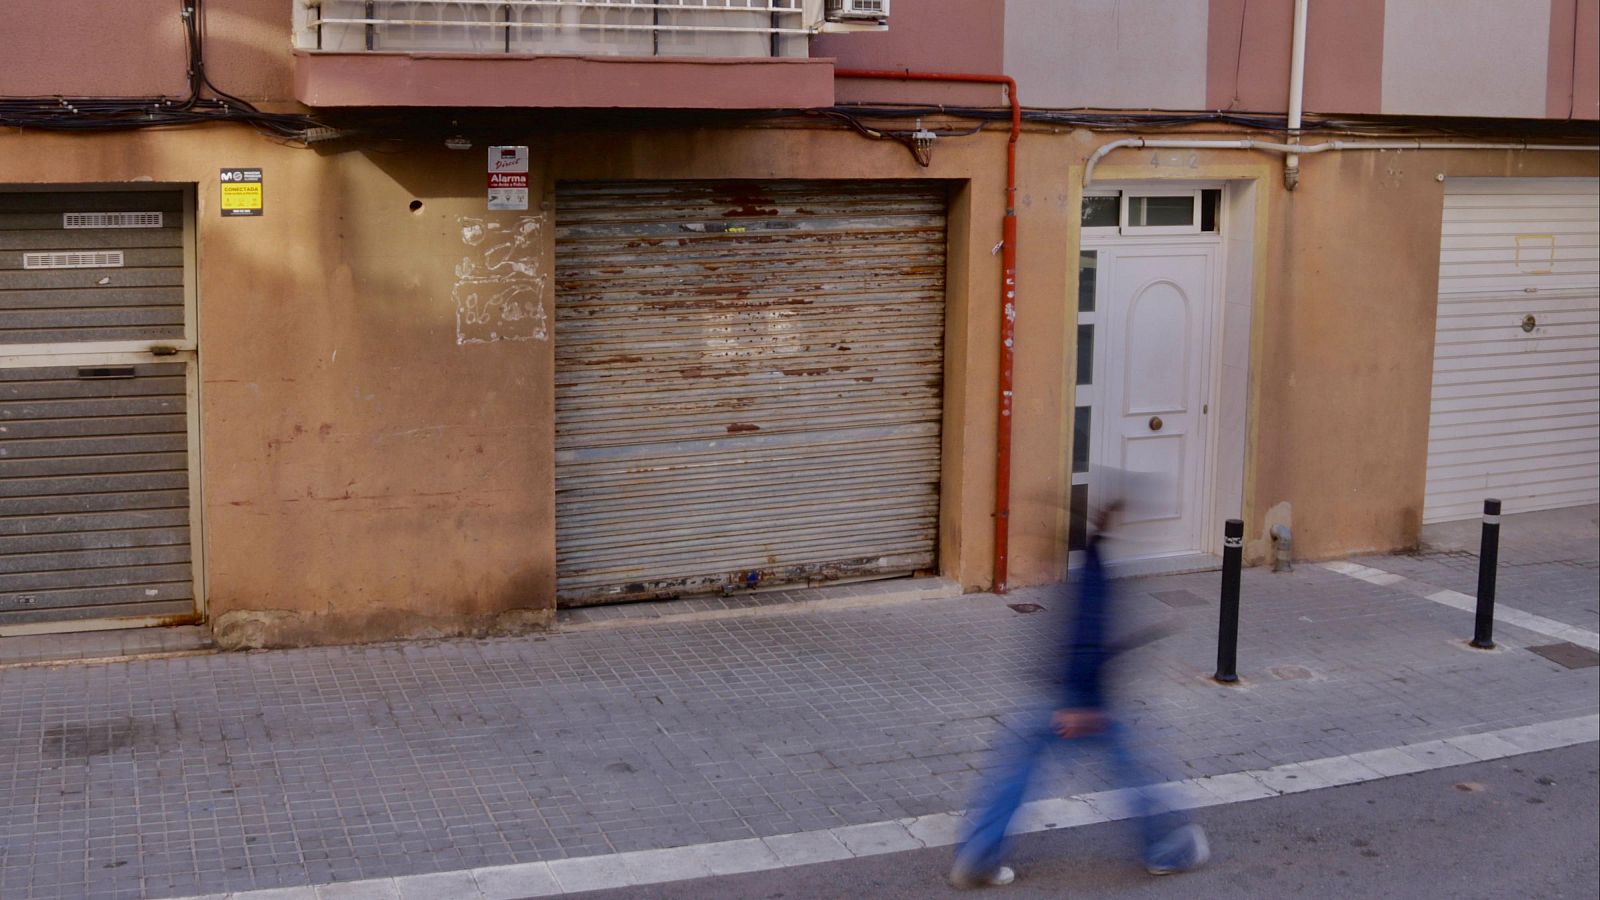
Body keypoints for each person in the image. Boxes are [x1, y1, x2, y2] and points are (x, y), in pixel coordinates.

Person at [949, 499, 1210, 888]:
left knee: (1016, 770)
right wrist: (1082, 706)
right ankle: (1165, 848)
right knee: (1132, 766)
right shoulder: (1097, 571)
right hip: (1079, 696)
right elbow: (1087, 634)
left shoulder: (1089, 561)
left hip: (1058, 689)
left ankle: (979, 855)